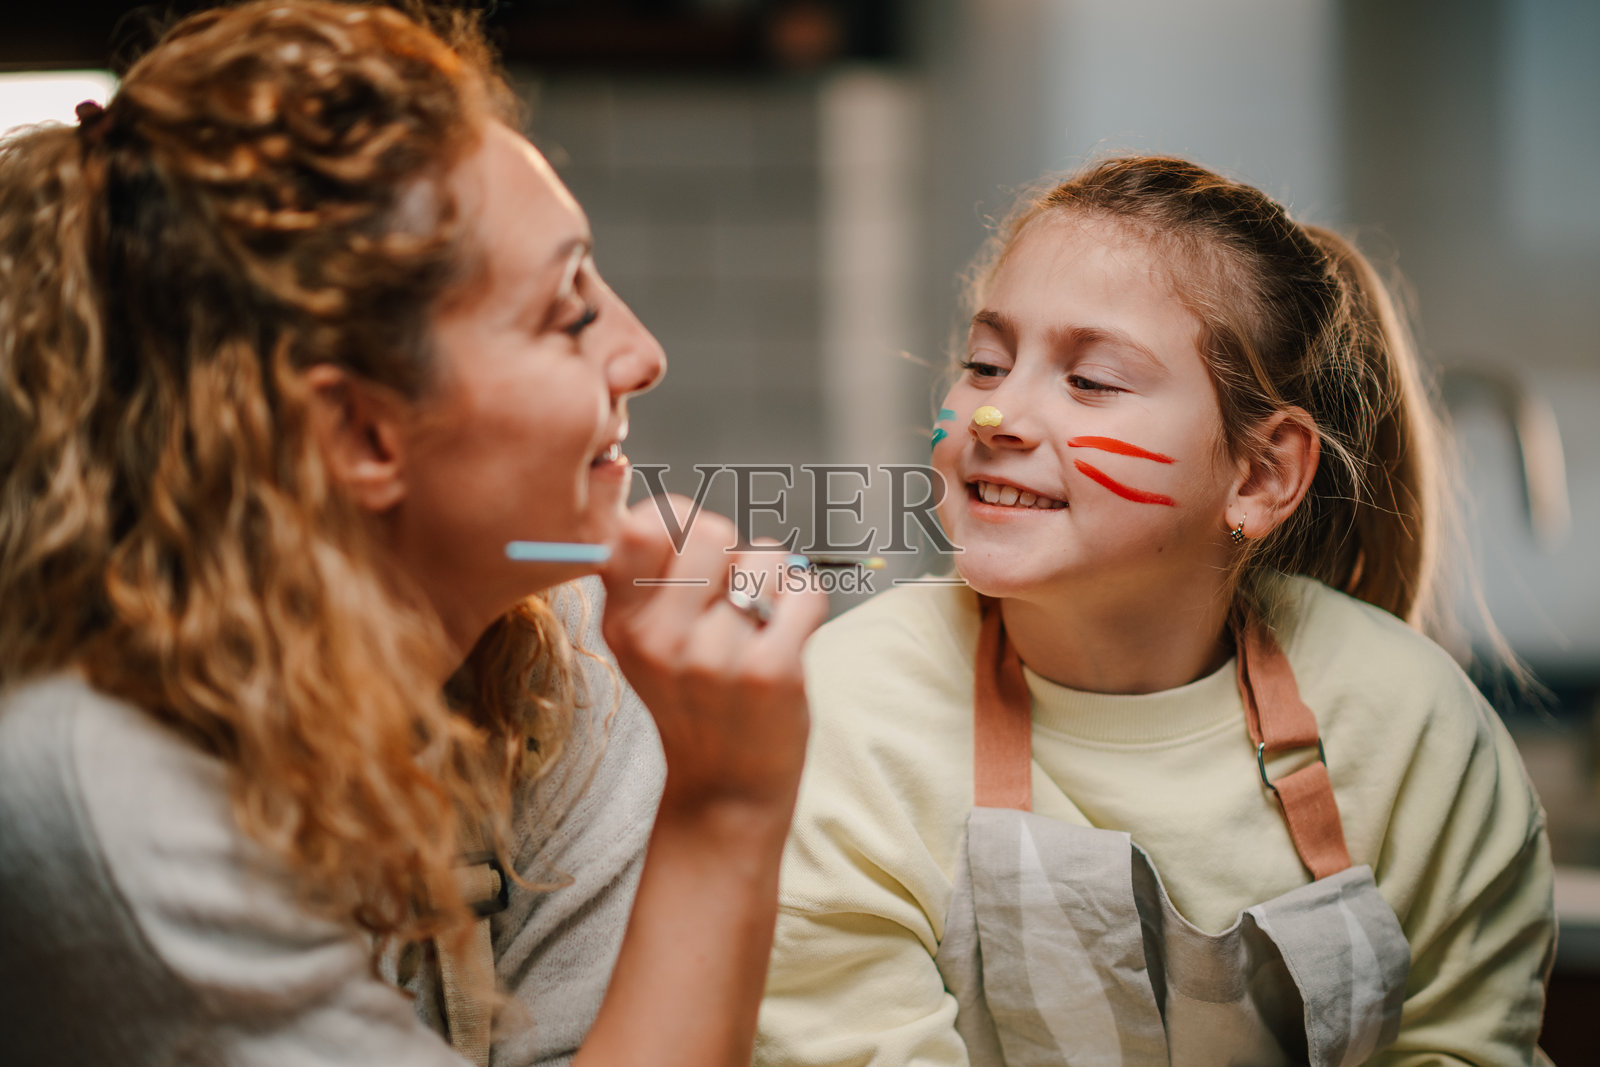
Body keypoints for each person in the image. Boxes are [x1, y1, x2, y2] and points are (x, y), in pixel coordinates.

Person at [0, 3, 826, 1065]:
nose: (642, 351)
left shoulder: (564, 651)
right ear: (360, 430)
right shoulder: (98, 788)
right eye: (567, 310)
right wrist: (727, 809)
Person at [756, 157, 1554, 1065]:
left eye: (1091, 380)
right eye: (984, 363)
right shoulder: (842, 713)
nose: (993, 416)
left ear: (1259, 474)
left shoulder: (1414, 727)